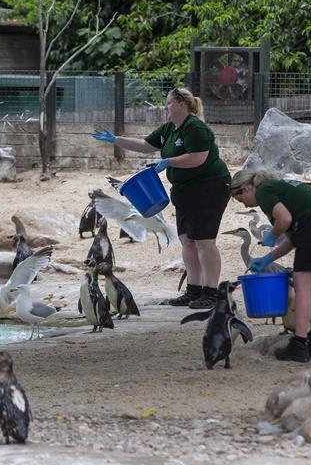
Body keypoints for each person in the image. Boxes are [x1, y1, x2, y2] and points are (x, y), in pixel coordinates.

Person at [92, 87, 230, 308]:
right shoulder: (169, 128)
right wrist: (115, 139)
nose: (166, 107)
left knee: (205, 241)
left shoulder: (196, 127)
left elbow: (198, 158)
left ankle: (211, 292)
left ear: (181, 104)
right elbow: (145, 146)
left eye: (169, 102)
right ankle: (194, 290)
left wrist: (169, 162)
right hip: (183, 189)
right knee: (187, 241)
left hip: (209, 187)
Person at [229, 169, 311, 362]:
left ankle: (299, 344)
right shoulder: (279, 190)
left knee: (301, 285)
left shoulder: (263, 191)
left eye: (242, 200)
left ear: (246, 188)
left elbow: (285, 219)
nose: (246, 205)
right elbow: (292, 239)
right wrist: (268, 258)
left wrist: (272, 234)